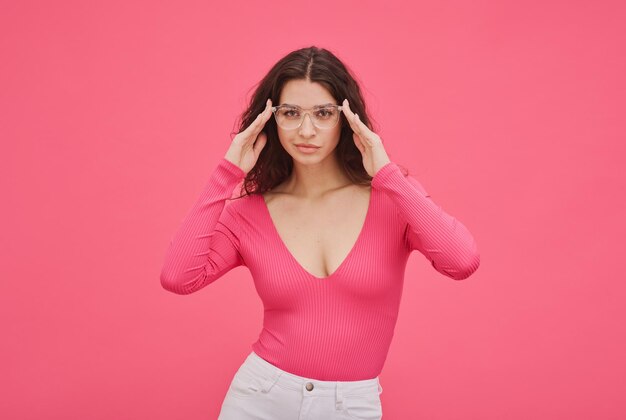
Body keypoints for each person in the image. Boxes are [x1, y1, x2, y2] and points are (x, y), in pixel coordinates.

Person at [159, 46, 480, 420]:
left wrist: (386, 172)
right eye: (290, 113)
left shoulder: (392, 200)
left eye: (323, 114)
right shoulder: (249, 214)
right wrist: (227, 172)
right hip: (261, 398)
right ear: (271, 119)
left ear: (346, 119)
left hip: (352, 406)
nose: (305, 130)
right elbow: (177, 277)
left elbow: (462, 261)